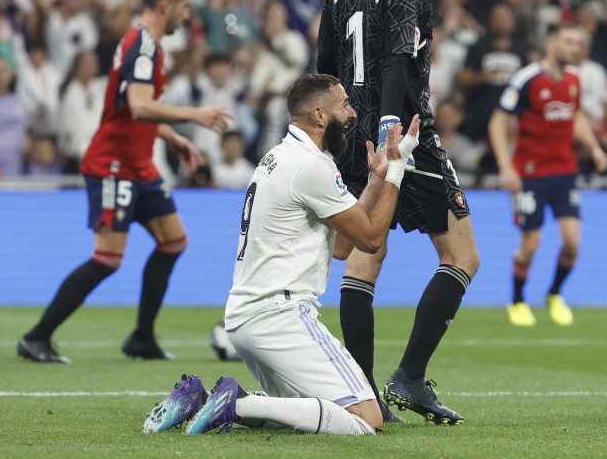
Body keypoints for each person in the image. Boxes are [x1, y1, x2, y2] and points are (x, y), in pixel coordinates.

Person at [142, 74, 419, 436]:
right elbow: (369, 240)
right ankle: (237, 402)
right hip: (281, 316)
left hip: (244, 319)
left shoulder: (279, 157)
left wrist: (375, 181)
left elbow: (340, 246)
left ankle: (203, 398)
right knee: (367, 419)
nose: (351, 114)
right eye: (344, 105)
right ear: (319, 116)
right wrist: (398, 168)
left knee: (295, 415)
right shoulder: (311, 166)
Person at [317, 0, 480, 425]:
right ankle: (407, 376)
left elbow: (323, 63)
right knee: (461, 256)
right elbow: (397, 58)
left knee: (364, 253)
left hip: (348, 129)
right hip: (404, 130)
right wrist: (393, 130)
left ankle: (362, 395)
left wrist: (334, 131)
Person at [17, 0, 229, 364]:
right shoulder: (144, 47)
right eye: (183, 7)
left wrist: (170, 137)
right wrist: (193, 116)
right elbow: (139, 105)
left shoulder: (142, 43)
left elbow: (132, 108)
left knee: (174, 241)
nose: (186, 16)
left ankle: (142, 338)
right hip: (112, 164)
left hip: (139, 164)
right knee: (108, 258)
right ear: (165, 5)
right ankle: (36, 337)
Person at [488, 23, 607, 328]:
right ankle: (516, 301)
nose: (575, 48)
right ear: (550, 42)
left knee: (572, 243)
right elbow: (497, 122)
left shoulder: (573, 80)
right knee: (531, 244)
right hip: (529, 174)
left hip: (564, 170)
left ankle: (554, 294)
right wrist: (506, 165)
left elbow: (576, 116)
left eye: (579, 43)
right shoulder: (527, 79)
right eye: (569, 41)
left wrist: (594, 147)